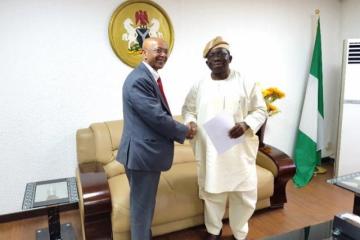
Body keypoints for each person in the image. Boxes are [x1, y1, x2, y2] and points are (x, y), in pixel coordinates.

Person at [182, 36, 267, 240]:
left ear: (231, 58)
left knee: (244, 194)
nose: (217, 58)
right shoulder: (199, 85)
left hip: (239, 149)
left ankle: (240, 231)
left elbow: (261, 110)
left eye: (222, 54)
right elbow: (188, 110)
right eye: (213, 55)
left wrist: (246, 124)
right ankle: (213, 229)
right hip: (210, 150)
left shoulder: (247, 82)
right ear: (207, 62)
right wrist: (190, 122)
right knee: (212, 192)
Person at [116, 37, 195, 240]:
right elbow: (157, 118)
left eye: (165, 51)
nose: (162, 55)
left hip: (144, 155)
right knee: (142, 209)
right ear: (144, 53)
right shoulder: (139, 79)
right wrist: (184, 131)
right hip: (142, 156)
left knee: (144, 205)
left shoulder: (149, 77)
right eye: (157, 50)